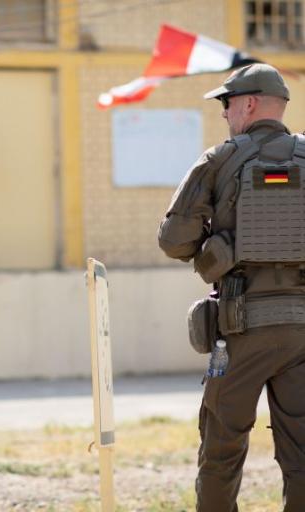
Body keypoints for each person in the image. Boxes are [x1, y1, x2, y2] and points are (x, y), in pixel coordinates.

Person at [158, 63, 305, 511]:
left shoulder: (218, 159)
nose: (224, 114)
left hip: (242, 331)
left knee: (221, 450)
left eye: (226, 104)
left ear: (249, 103)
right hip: (303, 334)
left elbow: (173, 240)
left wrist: (218, 247)